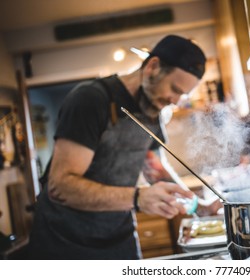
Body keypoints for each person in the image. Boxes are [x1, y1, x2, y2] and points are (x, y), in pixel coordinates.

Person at [27, 35, 220, 260]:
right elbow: (60, 187)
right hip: (65, 242)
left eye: (182, 95)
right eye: (174, 89)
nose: (175, 101)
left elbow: (155, 169)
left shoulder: (153, 108)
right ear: (153, 66)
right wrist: (137, 197)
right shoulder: (91, 99)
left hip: (119, 237)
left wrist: (197, 206)